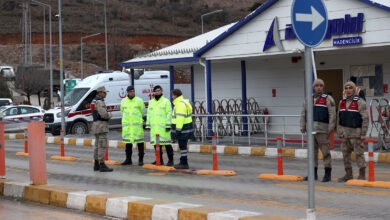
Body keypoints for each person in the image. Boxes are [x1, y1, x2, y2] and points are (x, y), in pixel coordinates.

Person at [300, 79, 336, 182]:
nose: (319, 87)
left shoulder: (328, 99)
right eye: (316, 85)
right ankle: (313, 175)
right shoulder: (308, 99)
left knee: (325, 153)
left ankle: (327, 174)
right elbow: (303, 113)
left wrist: (331, 127)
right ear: (313, 87)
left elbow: (332, 114)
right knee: (312, 154)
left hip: (323, 130)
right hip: (311, 130)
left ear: (323, 87)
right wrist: (302, 126)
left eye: (320, 85)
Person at [337, 81, 369, 182]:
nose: (348, 90)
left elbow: (365, 118)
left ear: (354, 89)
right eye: (346, 88)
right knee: (345, 155)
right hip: (345, 134)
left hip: (356, 134)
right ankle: (348, 174)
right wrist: (339, 132)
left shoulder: (360, 102)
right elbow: (339, 119)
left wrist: (363, 133)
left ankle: (362, 175)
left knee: (359, 154)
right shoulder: (341, 102)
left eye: (350, 88)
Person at [145, 85, 174, 166]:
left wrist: (168, 125)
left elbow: (169, 113)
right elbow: (149, 114)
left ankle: (171, 160)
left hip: (164, 128)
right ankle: (159, 160)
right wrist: (148, 125)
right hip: (154, 128)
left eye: (159, 90)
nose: (157, 92)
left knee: (167, 144)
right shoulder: (151, 102)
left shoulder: (166, 101)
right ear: (154, 92)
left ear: (161, 91)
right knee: (156, 145)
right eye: (156, 91)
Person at [120, 86, 145, 166]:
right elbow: (122, 112)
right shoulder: (123, 101)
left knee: (140, 144)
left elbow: (143, 112)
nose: (132, 92)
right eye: (130, 91)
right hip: (127, 127)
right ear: (127, 92)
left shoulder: (139, 100)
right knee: (128, 145)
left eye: (133, 91)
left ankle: (140, 160)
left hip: (137, 127)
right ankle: (128, 159)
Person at [91, 86, 113, 172]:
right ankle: (102, 164)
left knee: (97, 145)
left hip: (96, 125)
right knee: (102, 146)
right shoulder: (99, 102)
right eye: (104, 92)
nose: (105, 93)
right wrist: (109, 116)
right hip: (101, 126)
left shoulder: (94, 101)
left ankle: (96, 164)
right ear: (99, 93)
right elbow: (103, 114)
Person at [171, 89, 194, 169]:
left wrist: (178, 130)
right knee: (183, 145)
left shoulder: (179, 104)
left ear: (175, 95)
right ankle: (183, 161)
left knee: (182, 145)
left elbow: (180, 118)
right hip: (186, 128)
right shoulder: (184, 102)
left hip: (182, 129)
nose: (172, 97)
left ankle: (184, 162)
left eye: (172, 95)